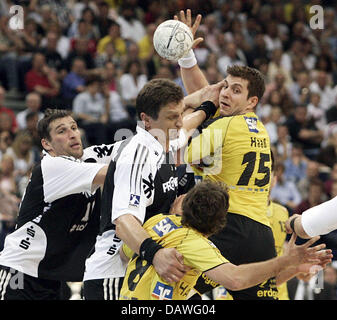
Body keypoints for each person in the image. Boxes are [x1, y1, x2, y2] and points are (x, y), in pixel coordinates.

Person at [83, 78, 224, 300]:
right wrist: (156, 254)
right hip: (113, 275)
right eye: (171, 117)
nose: (178, 122)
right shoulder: (137, 155)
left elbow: (187, 126)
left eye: (178, 114)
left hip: (141, 265)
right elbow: (124, 222)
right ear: (146, 121)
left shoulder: (163, 141)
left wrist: (207, 105)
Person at [175, 9, 279, 300]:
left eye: (235, 90)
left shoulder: (227, 125)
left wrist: (185, 107)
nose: (225, 94)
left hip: (226, 224)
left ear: (251, 100)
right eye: (226, 86)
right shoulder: (258, 126)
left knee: (172, 292)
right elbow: (208, 93)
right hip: (261, 235)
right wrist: (186, 56)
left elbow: (179, 150)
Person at [119, 180, 331, 300]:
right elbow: (236, 279)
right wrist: (287, 260)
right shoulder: (197, 244)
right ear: (220, 225)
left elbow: (123, 253)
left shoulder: (157, 222)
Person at [0, 109, 109, 300]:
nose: (72, 133)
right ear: (47, 144)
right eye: (62, 131)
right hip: (19, 272)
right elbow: (117, 171)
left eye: (74, 127)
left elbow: (128, 148)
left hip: (51, 275)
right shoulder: (53, 165)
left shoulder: (85, 160)